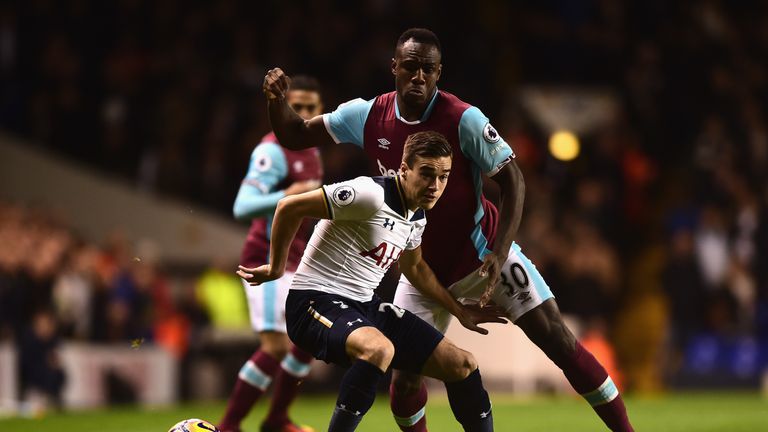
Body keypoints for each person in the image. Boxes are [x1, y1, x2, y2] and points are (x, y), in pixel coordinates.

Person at [261, 28, 634, 432]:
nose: (419, 77)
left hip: (484, 255)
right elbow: (294, 134)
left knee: (558, 340)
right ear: (395, 68)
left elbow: (514, 180)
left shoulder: (464, 119)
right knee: (403, 384)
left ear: (439, 73)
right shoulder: (366, 116)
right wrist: (277, 103)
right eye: (411, 67)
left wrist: (499, 251)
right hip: (420, 269)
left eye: (429, 69)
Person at [238, 131, 505, 432]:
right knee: (379, 349)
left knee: (462, 364)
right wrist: (276, 268)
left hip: (364, 306)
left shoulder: (417, 215)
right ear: (404, 169)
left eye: (443, 176)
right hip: (313, 301)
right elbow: (289, 207)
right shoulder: (368, 194)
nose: (435, 186)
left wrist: (458, 309)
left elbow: (414, 269)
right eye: (427, 174)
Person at [218, 75, 324, 432]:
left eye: (312, 107)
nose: (305, 114)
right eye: (298, 107)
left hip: (298, 263)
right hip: (265, 260)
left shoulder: (312, 151)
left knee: (306, 342)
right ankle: (229, 425)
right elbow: (242, 206)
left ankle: (277, 419)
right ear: (285, 107)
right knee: (277, 346)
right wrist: (286, 194)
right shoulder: (271, 151)